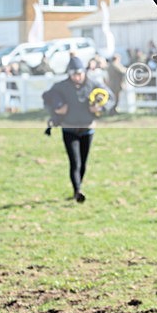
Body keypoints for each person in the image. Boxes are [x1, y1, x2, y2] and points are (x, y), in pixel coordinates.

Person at [43, 56, 114, 203]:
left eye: (80, 74)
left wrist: (100, 107)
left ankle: (78, 186)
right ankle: (77, 191)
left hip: (87, 129)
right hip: (69, 129)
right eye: (74, 74)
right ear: (69, 74)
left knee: (83, 162)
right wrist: (57, 110)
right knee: (75, 162)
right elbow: (46, 98)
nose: (77, 77)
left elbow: (110, 98)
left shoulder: (94, 84)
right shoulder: (60, 87)